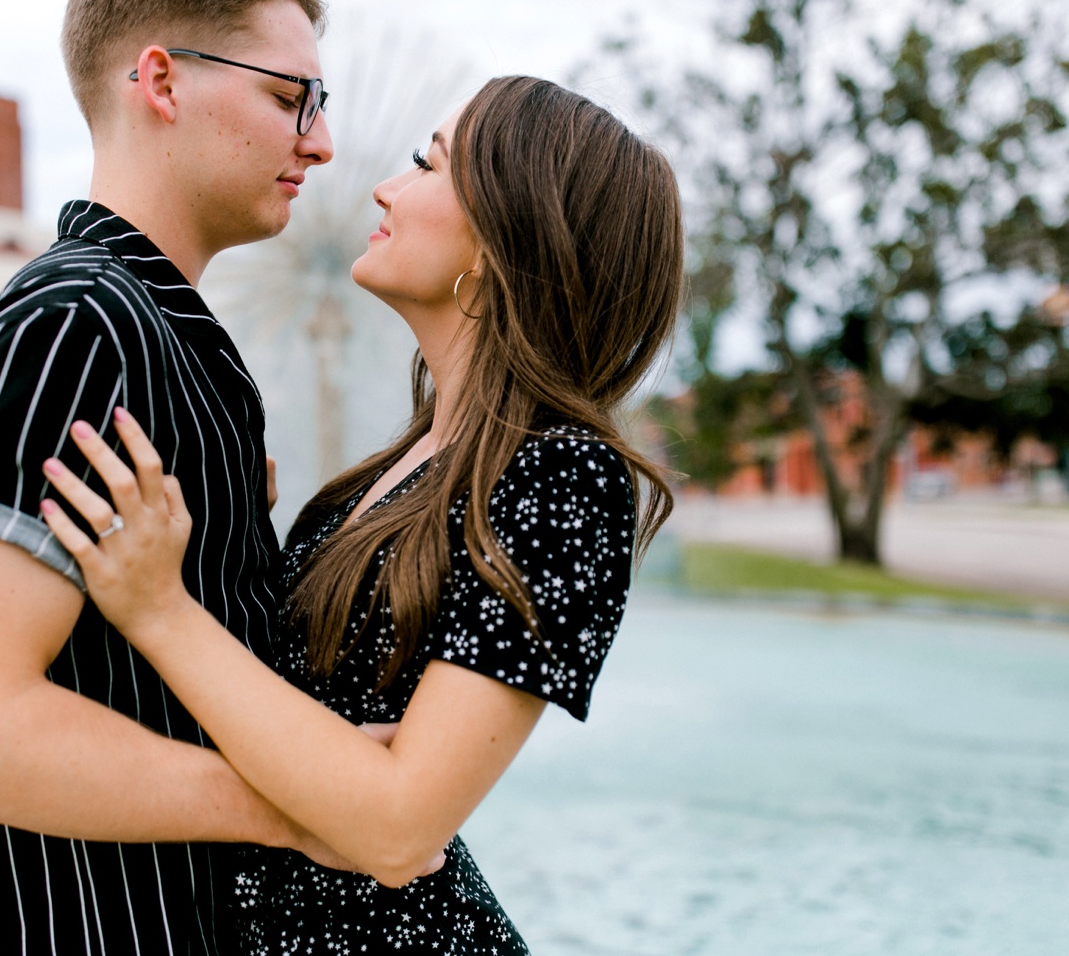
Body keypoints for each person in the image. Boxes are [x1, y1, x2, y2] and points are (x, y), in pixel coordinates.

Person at [38, 75, 686, 953]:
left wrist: (157, 608)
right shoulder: (382, 477)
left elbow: (396, 826)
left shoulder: (567, 476)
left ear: (501, 241)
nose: (385, 186)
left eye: (429, 165)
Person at [0, 0, 364, 952]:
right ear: (162, 81)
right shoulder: (77, 328)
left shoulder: (158, 338)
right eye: (290, 98)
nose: (318, 140)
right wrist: (298, 805)